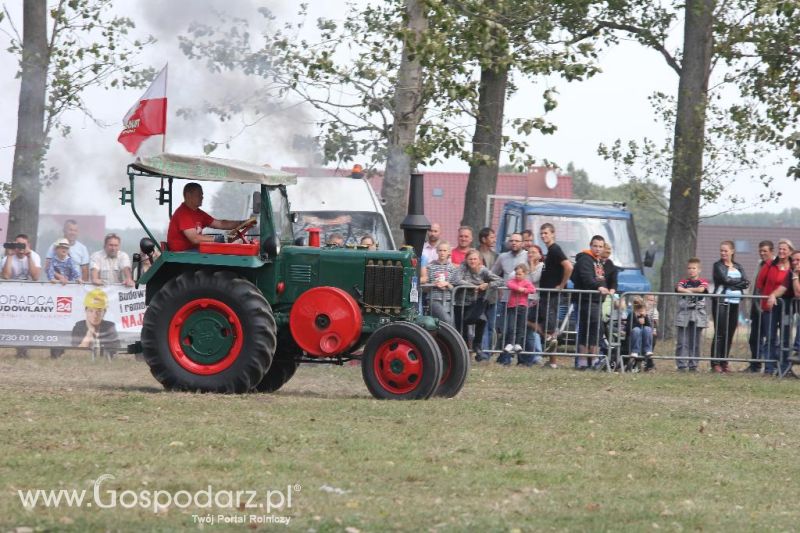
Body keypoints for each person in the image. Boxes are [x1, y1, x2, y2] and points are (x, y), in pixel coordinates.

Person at [453, 249, 502, 361]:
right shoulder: (463, 267)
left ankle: (477, 345)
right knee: (462, 329)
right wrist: (473, 286)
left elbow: (500, 281)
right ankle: (464, 355)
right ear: (466, 260)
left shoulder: (483, 270)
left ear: (479, 260)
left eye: (475, 259)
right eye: (470, 259)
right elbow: (455, 280)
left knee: (482, 320)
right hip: (460, 303)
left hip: (475, 302)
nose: (472, 261)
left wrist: (487, 284)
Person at [166, 182, 247, 252]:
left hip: (192, 250)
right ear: (188, 195)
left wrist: (242, 223)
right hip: (181, 253)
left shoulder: (198, 213)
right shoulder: (183, 213)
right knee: (220, 252)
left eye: (202, 194)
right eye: (199, 195)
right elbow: (194, 239)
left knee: (220, 250)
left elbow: (220, 224)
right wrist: (219, 239)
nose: (202, 197)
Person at [710, 240, 749, 373]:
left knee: (729, 333)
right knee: (720, 333)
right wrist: (738, 283)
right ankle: (715, 363)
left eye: (726, 250)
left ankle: (724, 361)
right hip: (721, 301)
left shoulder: (738, 266)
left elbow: (746, 282)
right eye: (721, 250)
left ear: (732, 251)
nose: (723, 253)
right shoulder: (717, 265)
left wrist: (734, 283)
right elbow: (725, 280)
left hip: (735, 303)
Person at [572, 235, 610, 369]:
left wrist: (604, 288)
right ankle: (584, 361)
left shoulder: (598, 262)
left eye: (600, 246)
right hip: (586, 300)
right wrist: (598, 287)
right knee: (586, 331)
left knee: (595, 331)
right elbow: (586, 278)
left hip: (596, 301)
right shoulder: (585, 260)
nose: (598, 249)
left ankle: (592, 360)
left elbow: (602, 279)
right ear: (590, 245)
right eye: (595, 246)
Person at [538, 223, 573, 368]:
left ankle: (553, 362)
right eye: (542, 233)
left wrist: (561, 285)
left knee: (551, 328)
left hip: (552, 295)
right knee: (545, 325)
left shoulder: (555, 249)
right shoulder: (549, 251)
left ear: (553, 234)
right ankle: (550, 357)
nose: (544, 236)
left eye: (546, 233)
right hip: (545, 293)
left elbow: (569, 266)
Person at [756, 238, 793, 376]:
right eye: (780, 249)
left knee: (785, 337)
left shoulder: (793, 267)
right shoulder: (770, 265)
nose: (782, 251)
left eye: (785, 249)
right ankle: (769, 368)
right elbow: (759, 284)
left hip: (787, 307)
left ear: (790, 251)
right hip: (770, 306)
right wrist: (766, 297)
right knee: (770, 337)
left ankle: (784, 368)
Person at [491, 232, 528, 350]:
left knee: (521, 329)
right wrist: (501, 285)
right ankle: (505, 357)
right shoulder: (503, 256)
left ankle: (522, 358)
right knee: (507, 328)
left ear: (522, 243)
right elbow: (493, 273)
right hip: (507, 298)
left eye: (517, 241)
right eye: (511, 241)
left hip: (523, 299)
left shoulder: (528, 255)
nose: (514, 243)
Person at [675, 258, 709, 372]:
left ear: (699, 270)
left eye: (694, 268)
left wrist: (688, 290)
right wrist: (690, 291)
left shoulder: (703, 281)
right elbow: (679, 289)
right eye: (689, 268)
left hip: (698, 315)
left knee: (695, 342)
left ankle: (693, 365)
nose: (691, 270)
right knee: (682, 341)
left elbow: (702, 289)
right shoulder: (683, 281)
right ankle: (681, 365)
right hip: (684, 314)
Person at [746, 240, 774, 373]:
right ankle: (755, 364)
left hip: (767, 308)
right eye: (760, 251)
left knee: (769, 337)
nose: (762, 253)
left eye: (765, 251)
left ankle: (770, 365)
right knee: (754, 338)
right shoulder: (760, 264)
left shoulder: (774, 265)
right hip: (756, 306)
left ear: (771, 252)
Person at [499, 264, 535, 366]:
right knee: (511, 326)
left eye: (520, 274)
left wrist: (524, 290)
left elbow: (532, 289)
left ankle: (518, 343)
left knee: (520, 327)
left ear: (525, 274)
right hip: (512, 307)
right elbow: (509, 284)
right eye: (516, 274)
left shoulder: (527, 282)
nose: (518, 276)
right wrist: (519, 288)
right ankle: (510, 343)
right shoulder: (513, 281)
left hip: (522, 307)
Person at [71, 288, 120, 359]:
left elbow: (115, 350)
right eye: (91, 311)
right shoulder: (79, 326)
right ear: (86, 311)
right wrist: (89, 334)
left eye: (99, 311)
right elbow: (77, 352)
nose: (95, 315)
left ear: (104, 312)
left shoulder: (110, 327)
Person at [420, 242, 458, 325]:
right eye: (440, 250)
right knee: (447, 321)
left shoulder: (452, 268)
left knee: (450, 325)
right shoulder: (430, 266)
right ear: (436, 251)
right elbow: (425, 288)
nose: (442, 253)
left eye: (445, 250)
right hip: (434, 300)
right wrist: (433, 284)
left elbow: (455, 288)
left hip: (449, 301)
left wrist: (447, 284)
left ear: (449, 252)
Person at [477, 227, 499, 355]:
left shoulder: (496, 256)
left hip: (492, 296)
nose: (494, 240)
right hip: (479, 296)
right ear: (483, 239)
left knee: (491, 325)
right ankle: (481, 351)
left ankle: (487, 352)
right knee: (481, 325)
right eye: (491, 237)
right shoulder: (475, 253)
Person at [524, 244, 545, 365]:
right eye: (529, 252)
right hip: (524, 299)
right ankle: (530, 356)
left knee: (532, 327)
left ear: (540, 255)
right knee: (527, 328)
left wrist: (532, 264)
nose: (530, 254)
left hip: (535, 299)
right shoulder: (524, 266)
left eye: (533, 252)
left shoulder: (542, 266)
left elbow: (534, 278)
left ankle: (537, 355)